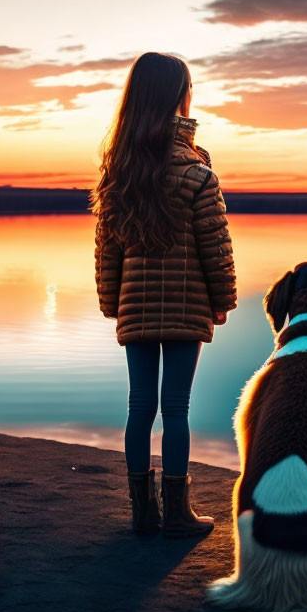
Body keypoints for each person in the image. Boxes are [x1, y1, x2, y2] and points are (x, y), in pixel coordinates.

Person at [90, 52, 237, 538]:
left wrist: (113, 302)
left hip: (136, 306)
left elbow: (106, 249)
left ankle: (141, 513)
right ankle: (176, 512)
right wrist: (223, 299)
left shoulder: (120, 171)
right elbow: (215, 245)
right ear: (179, 97)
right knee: (176, 409)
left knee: (139, 406)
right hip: (186, 304)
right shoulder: (197, 171)